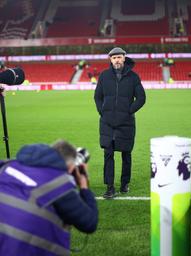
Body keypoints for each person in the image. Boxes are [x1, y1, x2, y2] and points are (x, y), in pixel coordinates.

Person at [0, 140, 98, 256]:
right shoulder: (57, 184)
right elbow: (89, 223)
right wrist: (83, 185)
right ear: (71, 167)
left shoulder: (6, 165)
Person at [94, 47, 146, 199]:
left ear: (124, 58)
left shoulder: (133, 77)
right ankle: (110, 187)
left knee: (126, 154)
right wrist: (102, 111)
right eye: (114, 57)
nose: (117, 59)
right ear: (110, 59)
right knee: (108, 154)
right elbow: (97, 97)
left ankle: (124, 184)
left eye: (119, 57)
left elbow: (142, 98)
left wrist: (129, 111)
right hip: (107, 123)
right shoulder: (104, 76)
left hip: (126, 123)